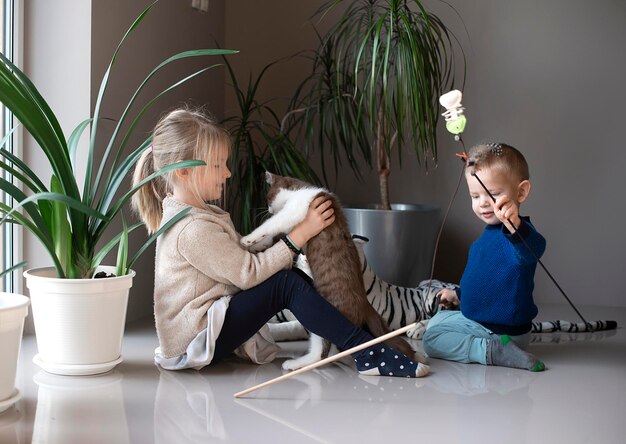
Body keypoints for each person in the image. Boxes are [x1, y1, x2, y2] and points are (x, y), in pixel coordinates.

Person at [132, 107, 428, 378]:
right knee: (286, 284)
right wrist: (300, 234)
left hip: (203, 329)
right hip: (194, 341)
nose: (228, 173)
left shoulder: (197, 214)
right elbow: (247, 274)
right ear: (184, 172)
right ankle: (369, 353)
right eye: (218, 165)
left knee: (294, 279)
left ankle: (361, 342)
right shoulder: (192, 228)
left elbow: (236, 258)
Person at [423, 142, 546, 372]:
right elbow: (484, 280)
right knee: (436, 323)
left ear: (520, 192)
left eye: (494, 194)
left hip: (502, 330)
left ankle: (490, 351)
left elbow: (533, 250)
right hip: (486, 324)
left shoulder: (517, 233)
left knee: (431, 340)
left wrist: (515, 226)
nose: (483, 203)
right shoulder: (487, 236)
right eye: (475, 196)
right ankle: (497, 348)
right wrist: (458, 295)